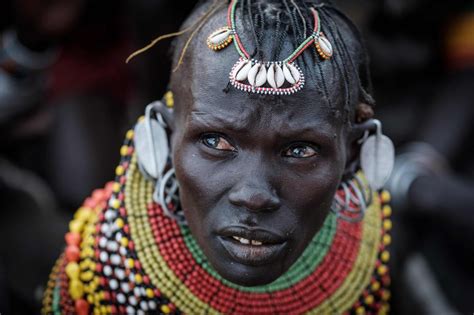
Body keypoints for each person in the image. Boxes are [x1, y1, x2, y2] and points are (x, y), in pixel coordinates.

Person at [42, 0, 394, 314]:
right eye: (215, 141)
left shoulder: (374, 259)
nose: (254, 195)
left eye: (299, 151)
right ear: (164, 139)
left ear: (354, 156)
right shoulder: (104, 272)